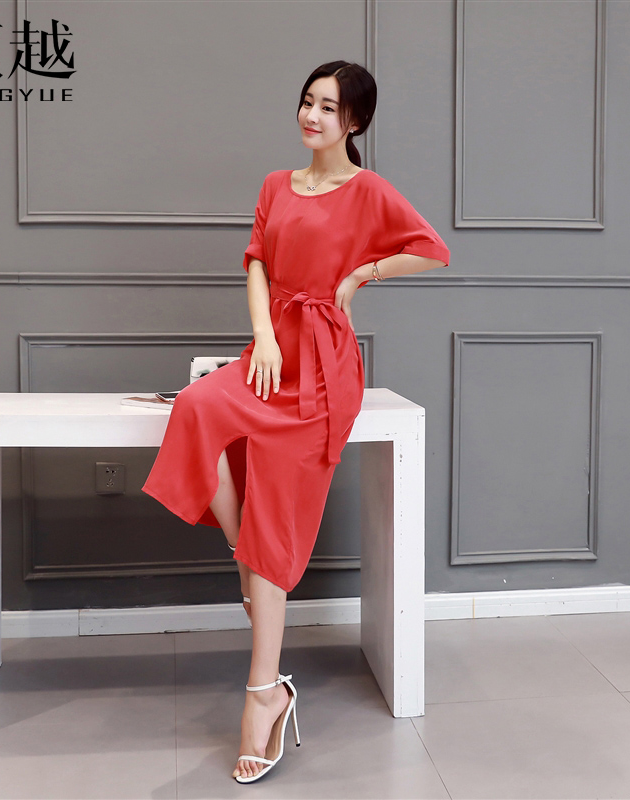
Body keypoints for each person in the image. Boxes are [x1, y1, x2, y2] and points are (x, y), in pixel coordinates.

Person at [142, 60, 450, 784]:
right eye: (308, 102)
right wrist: (265, 337)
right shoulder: (276, 184)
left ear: (354, 122)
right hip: (271, 350)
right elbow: (256, 262)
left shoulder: (368, 190)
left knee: (276, 509)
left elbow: (433, 249)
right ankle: (247, 561)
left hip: (324, 366)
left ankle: (262, 695)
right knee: (196, 408)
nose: (312, 116)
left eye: (328, 107)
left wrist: (362, 274)